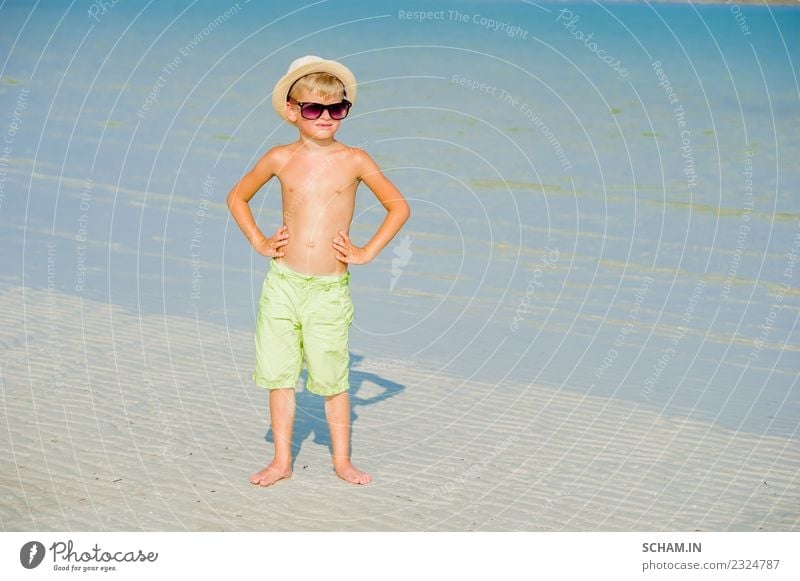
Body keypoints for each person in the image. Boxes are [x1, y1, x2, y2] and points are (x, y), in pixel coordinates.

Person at [227, 55, 410, 486]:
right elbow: (237, 197)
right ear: (293, 112)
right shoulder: (279, 157)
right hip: (283, 283)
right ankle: (281, 461)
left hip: (329, 288)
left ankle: (342, 460)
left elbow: (399, 207)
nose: (326, 117)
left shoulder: (355, 159)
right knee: (279, 373)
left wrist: (365, 252)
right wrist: (259, 241)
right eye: (314, 109)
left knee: (332, 376)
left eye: (337, 109)